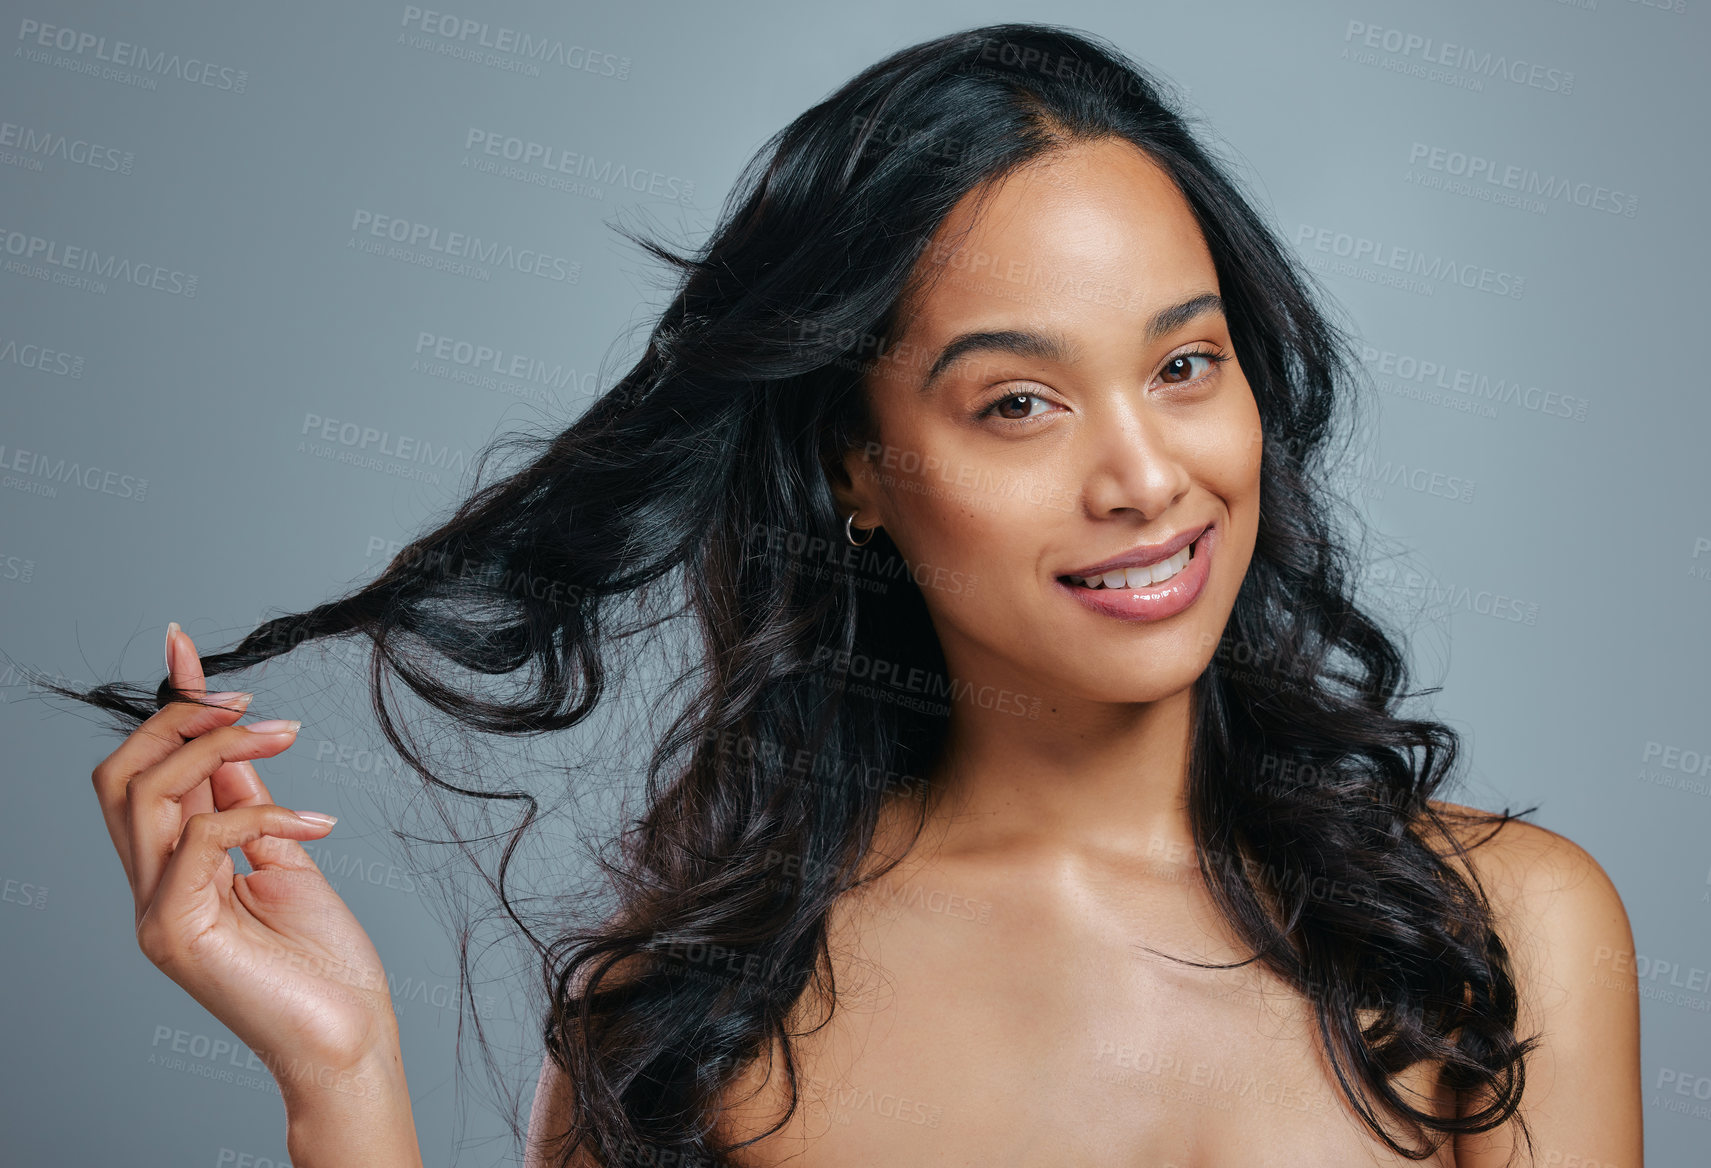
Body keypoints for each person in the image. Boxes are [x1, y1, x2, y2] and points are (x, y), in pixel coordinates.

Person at [67, 22, 1641, 1168]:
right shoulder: (695, 1022)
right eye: (1018, 402)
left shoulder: (1499, 935)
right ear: (855, 471)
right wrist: (342, 1078)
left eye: (1183, 366)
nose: (1146, 477)